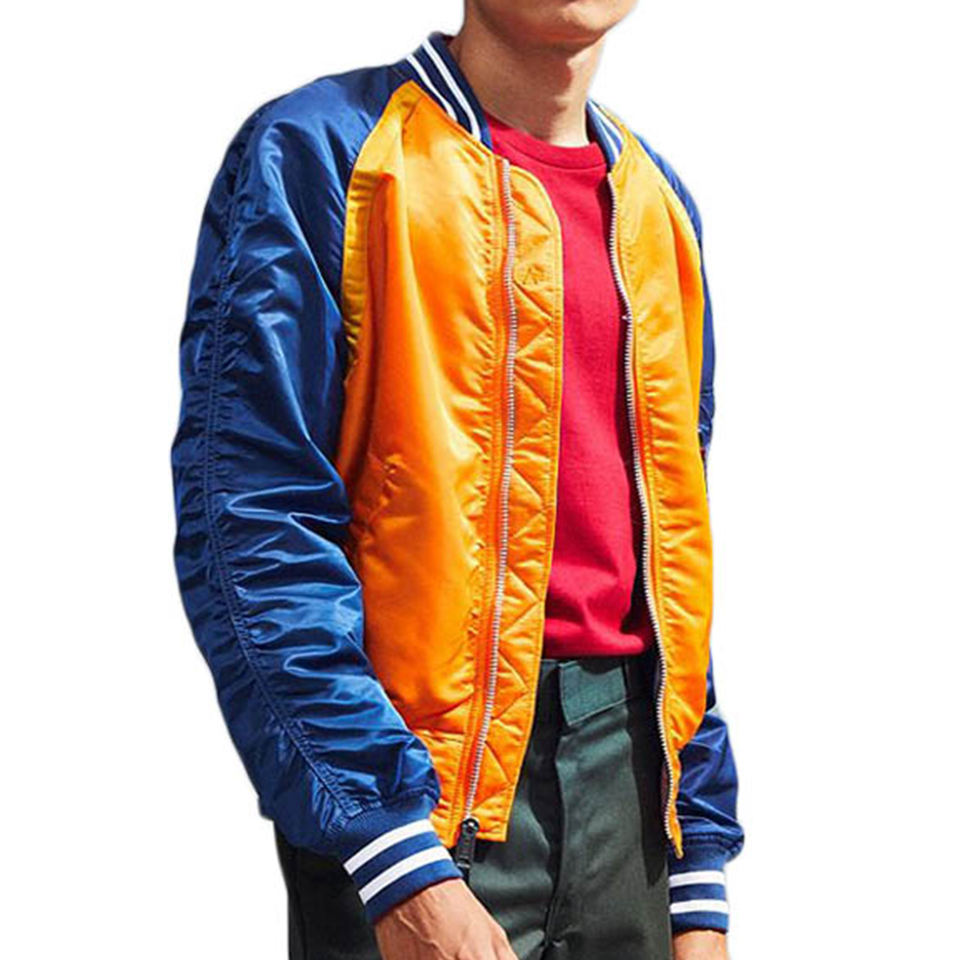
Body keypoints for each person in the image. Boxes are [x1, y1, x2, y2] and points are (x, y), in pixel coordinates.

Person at [172, 2, 744, 958]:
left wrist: (698, 872)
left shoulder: (658, 203)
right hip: (419, 796)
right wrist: (388, 850)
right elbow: (254, 520)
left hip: (633, 802)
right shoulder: (328, 153)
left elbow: (670, 556)